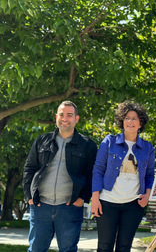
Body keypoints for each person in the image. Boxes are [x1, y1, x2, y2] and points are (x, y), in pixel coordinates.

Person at [22, 100, 98, 252]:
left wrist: (82, 198)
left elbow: (92, 175)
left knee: (68, 250)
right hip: (40, 206)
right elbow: (29, 169)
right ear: (56, 117)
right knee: (36, 249)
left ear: (76, 118)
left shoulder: (87, 145)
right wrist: (29, 197)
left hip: (69, 207)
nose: (65, 118)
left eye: (70, 115)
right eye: (62, 115)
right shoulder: (42, 140)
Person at [91, 101, 155, 252]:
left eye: (134, 118)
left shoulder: (148, 148)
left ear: (140, 123)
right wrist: (95, 199)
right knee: (104, 247)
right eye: (127, 118)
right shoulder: (109, 142)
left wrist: (147, 195)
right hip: (107, 202)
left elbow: (150, 174)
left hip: (133, 204)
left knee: (124, 247)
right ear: (122, 121)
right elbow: (98, 169)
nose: (130, 121)